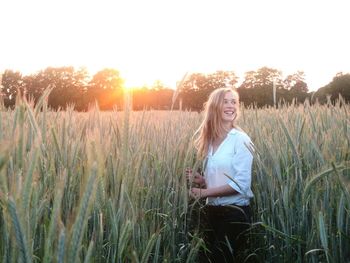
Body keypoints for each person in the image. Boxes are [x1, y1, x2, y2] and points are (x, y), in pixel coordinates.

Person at [186, 87, 254, 262]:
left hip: (234, 213)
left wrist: (204, 193)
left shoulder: (240, 139)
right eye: (226, 101)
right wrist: (204, 180)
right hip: (212, 212)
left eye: (234, 102)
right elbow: (223, 176)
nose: (231, 106)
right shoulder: (210, 141)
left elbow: (241, 184)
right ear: (215, 106)